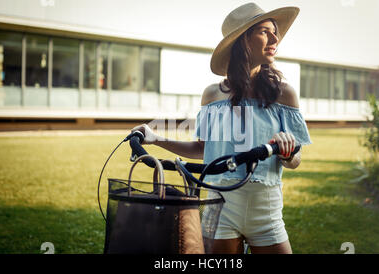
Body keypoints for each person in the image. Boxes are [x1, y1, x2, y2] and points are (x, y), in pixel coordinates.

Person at [131, 2, 311, 254]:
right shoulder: (212, 95)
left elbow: (296, 161)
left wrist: (288, 152)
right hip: (219, 204)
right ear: (243, 41)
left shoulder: (284, 94)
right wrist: (155, 138)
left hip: (266, 207)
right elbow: (202, 149)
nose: (274, 38)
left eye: (275, 31)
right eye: (264, 31)